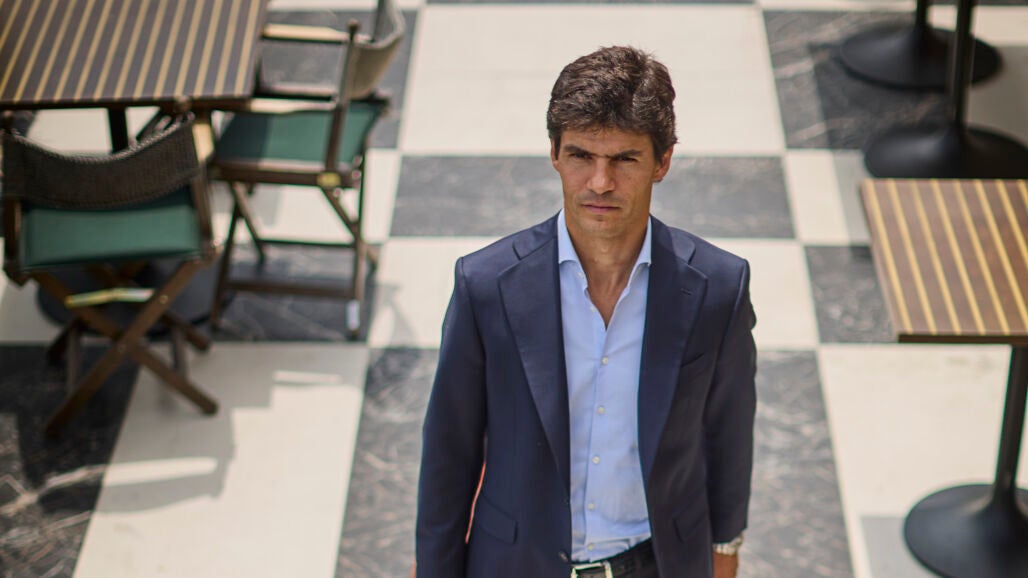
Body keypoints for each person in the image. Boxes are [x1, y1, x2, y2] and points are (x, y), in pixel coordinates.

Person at [416, 45, 757, 578]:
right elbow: (449, 452)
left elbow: (728, 432)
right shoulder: (485, 286)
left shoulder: (718, 287)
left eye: (624, 159)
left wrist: (726, 547)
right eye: (581, 156)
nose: (600, 183)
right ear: (554, 153)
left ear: (663, 162)